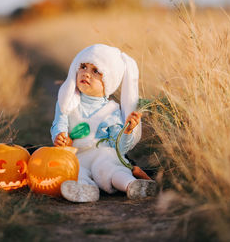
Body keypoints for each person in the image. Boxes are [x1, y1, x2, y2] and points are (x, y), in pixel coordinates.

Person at [51, 44, 157, 202]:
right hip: (76, 155)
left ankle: (132, 185)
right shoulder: (68, 101)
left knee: (110, 169)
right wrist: (60, 136)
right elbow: (59, 123)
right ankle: (84, 190)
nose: (86, 74)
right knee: (75, 171)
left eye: (95, 71)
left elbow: (118, 146)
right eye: (83, 67)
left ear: (109, 80)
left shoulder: (111, 111)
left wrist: (127, 131)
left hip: (103, 154)